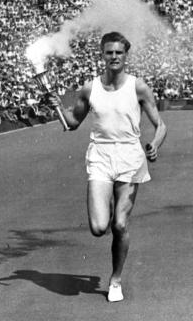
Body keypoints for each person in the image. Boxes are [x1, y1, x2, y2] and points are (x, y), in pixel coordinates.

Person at [47, 31, 167, 302]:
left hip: (129, 158)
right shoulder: (90, 89)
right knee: (100, 227)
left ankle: (115, 280)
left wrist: (155, 144)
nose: (114, 57)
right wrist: (56, 106)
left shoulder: (138, 87)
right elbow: (72, 122)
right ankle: (108, 204)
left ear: (126, 55)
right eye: (108, 52)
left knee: (120, 225)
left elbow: (160, 125)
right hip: (100, 157)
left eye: (118, 53)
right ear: (101, 55)